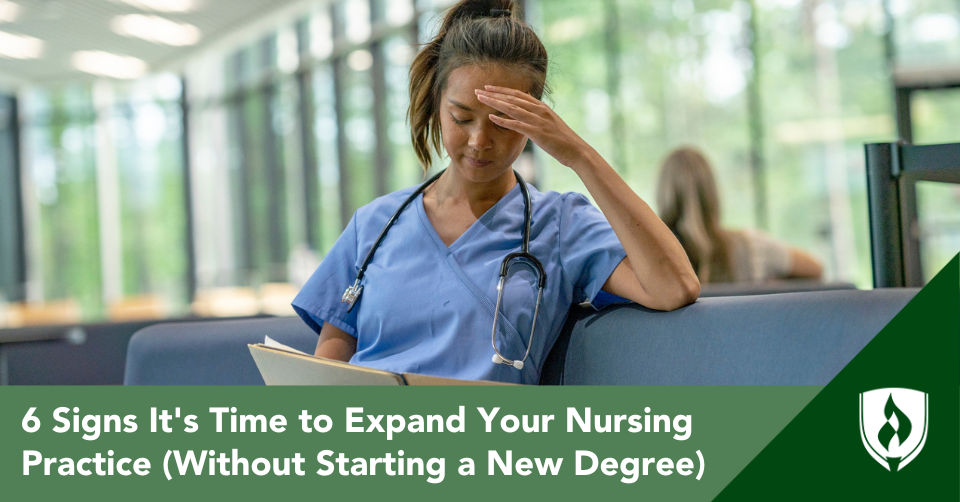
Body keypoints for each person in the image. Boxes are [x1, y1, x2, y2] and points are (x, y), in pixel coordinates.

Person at [292, 0, 699, 385]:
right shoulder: (376, 224)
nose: (479, 140)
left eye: (503, 122)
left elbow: (674, 287)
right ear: (437, 105)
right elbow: (333, 358)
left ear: (536, 121)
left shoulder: (559, 225)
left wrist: (579, 155)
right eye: (461, 117)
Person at [655, 146, 823, 284]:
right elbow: (815, 269)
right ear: (712, 194)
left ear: (662, 195)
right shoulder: (751, 246)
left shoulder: (649, 257)